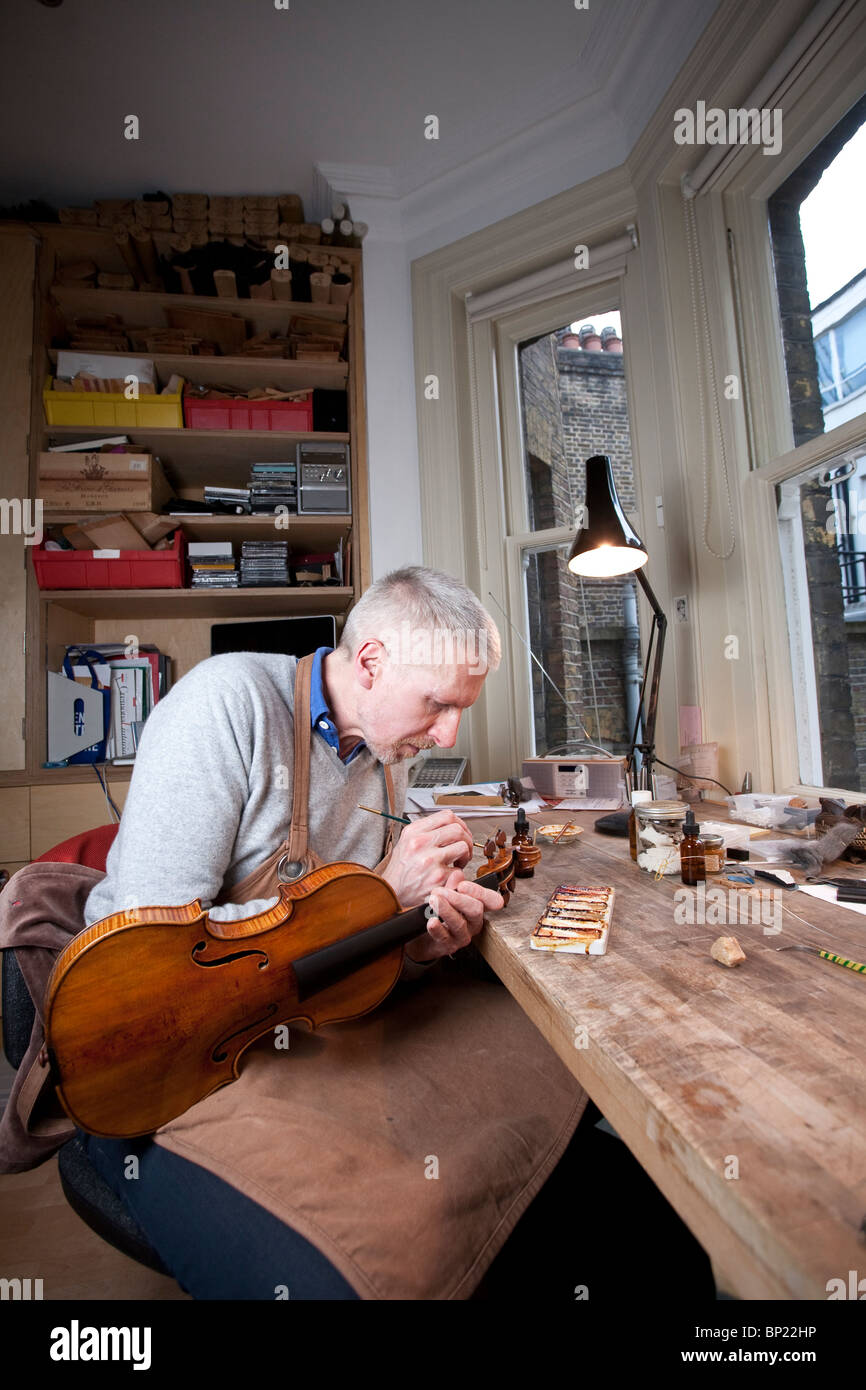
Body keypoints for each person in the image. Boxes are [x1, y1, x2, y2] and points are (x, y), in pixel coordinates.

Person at [74, 566, 590, 1300]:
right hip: (158, 1048)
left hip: (280, 1016)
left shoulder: (381, 764)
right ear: (373, 662)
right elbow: (153, 959)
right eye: (438, 704)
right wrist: (383, 893)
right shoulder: (228, 704)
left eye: (460, 711)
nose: (448, 733)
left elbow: (341, 959)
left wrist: (415, 943)